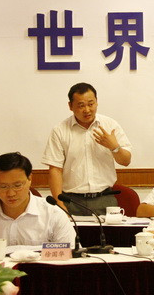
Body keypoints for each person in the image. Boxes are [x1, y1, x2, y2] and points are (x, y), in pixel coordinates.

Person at [42, 82, 132, 215]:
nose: (87, 110)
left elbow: (126, 161)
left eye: (91, 104)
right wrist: (59, 203)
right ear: (70, 106)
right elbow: (55, 170)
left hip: (104, 199)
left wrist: (114, 147)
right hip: (70, 201)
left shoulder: (110, 125)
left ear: (97, 102)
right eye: (81, 105)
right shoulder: (60, 130)